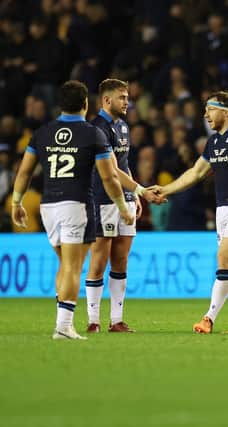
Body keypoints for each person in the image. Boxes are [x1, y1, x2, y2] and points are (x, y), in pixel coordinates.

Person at [11, 80, 134, 340]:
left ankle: (62, 322)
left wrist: (16, 202)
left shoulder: (42, 133)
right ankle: (64, 326)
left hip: (48, 207)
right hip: (76, 205)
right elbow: (110, 178)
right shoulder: (92, 134)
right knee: (73, 267)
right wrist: (123, 206)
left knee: (64, 265)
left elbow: (24, 171)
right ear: (86, 103)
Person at [155, 91, 228, 333]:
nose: (205, 115)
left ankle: (208, 318)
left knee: (224, 259)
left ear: (227, 111)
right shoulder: (215, 141)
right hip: (223, 208)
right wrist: (165, 190)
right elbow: (196, 173)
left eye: (210, 109)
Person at [85, 79, 162, 333]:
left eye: (127, 97)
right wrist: (140, 189)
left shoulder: (124, 127)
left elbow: (124, 163)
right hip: (103, 199)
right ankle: (93, 320)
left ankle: (116, 320)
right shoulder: (97, 128)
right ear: (106, 100)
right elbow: (112, 169)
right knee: (99, 259)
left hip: (124, 200)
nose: (127, 102)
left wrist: (134, 196)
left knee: (121, 259)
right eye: (122, 98)